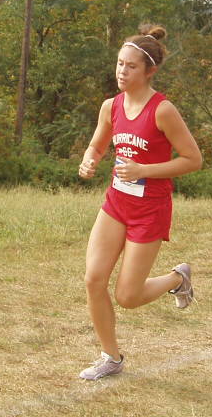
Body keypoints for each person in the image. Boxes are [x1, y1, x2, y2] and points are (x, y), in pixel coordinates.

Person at [76, 24, 203, 380]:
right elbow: (97, 144)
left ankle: (177, 278)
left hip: (150, 210)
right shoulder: (111, 106)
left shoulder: (163, 111)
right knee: (93, 280)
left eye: (131, 66)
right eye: (120, 63)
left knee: (128, 296)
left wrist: (144, 169)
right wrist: (89, 160)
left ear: (150, 71)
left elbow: (193, 160)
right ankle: (111, 357)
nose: (122, 71)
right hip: (116, 204)